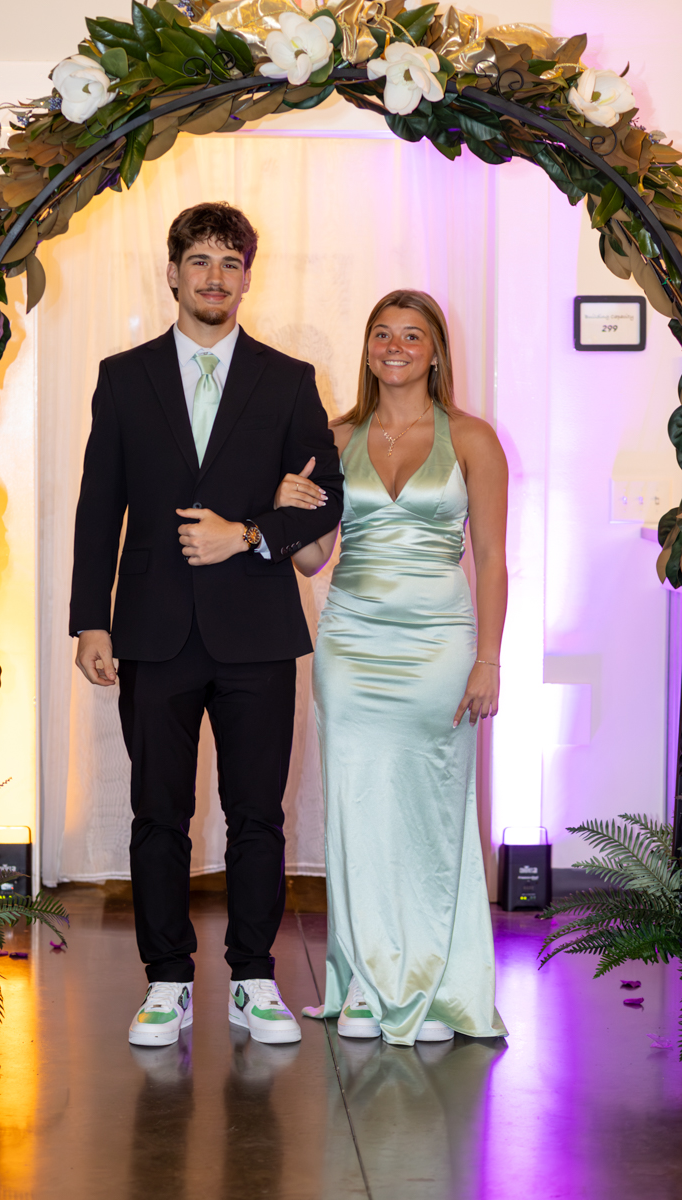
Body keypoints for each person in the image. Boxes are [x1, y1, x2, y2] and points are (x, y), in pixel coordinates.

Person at [69, 202, 343, 1048]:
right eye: (200, 261)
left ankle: (255, 978)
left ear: (248, 276)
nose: (215, 277)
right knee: (158, 814)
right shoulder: (123, 376)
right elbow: (97, 508)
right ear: (174, 272)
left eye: (230, 262)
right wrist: (90, 621)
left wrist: (252, 533)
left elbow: (323, 497)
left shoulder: (289, 379)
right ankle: (168, 980)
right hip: (150, 628)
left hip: (257, 630)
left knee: (258, 813)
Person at [275, 289, 508, 1046]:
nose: (396, 346)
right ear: (368, 346)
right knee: (360, 812)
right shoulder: (338, 434)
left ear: (437, 350)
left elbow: (496, 560)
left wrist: (489, 659)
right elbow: (314, 560)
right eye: (383, 334)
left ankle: (437, 985)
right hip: (353, 645)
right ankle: (368, 982)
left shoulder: (473, 438)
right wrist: (288, 506)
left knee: (435, 817)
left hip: (441, 646)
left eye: (413, 335)